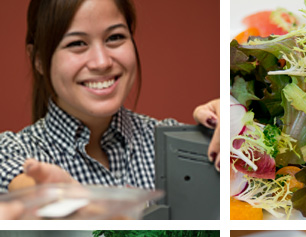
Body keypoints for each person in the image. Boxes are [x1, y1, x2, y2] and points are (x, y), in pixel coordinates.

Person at [0, 0, 220, 194]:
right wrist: (50, 197)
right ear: (38, 59)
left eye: (115, 37)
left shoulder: (172, 143)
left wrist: (235, 127)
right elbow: (19, 183)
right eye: (77, 43)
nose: (102, 62)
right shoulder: (13, 150)